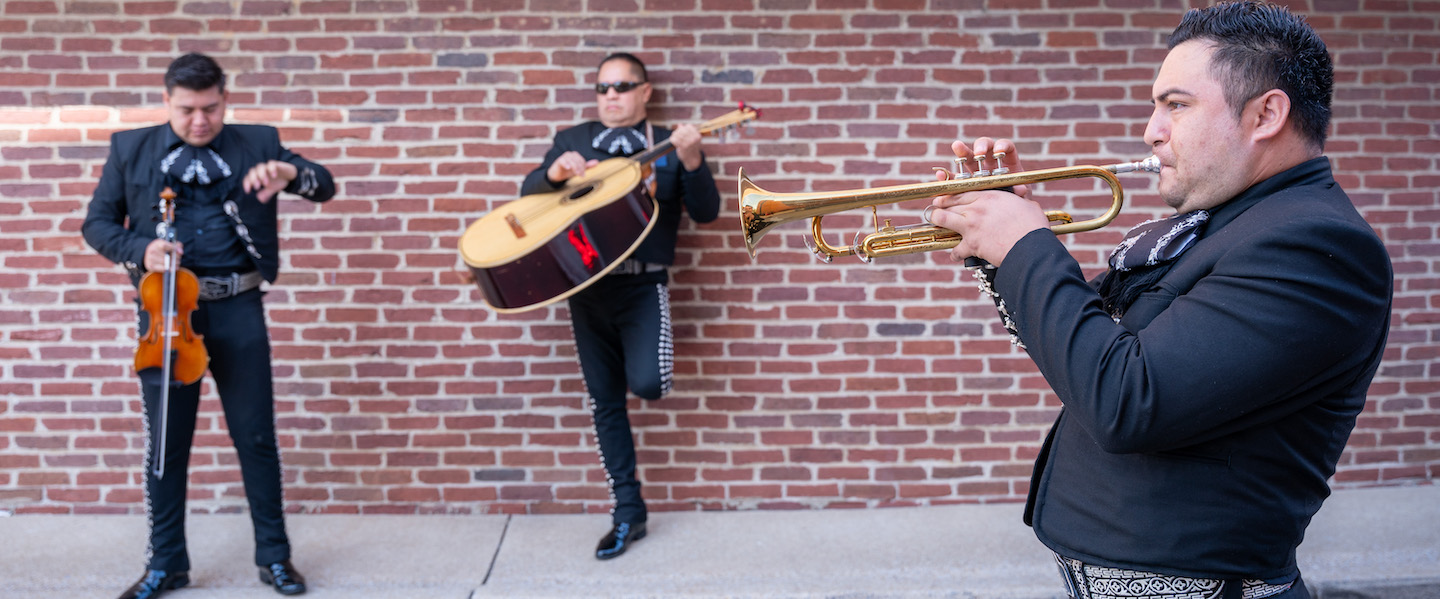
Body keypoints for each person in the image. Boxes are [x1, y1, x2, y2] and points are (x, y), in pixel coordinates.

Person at [926, 2, 1392, 598]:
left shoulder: (1315, 244)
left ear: (1267, 114)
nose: (1151, 130)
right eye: (1156, 106)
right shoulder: (1227, 225)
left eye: (1176, 105)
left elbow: (1125, 399)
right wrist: (999, 253)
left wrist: (1025, 245)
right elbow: (1086, 345)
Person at [82, 52, 335, 599]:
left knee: (257, 439)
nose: (200, 120)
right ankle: (165, 563)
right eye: (187, 110)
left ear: (226, 99)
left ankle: (275, 558)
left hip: (239, 308)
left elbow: (324, 186)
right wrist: (140, 248)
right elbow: (97, 223)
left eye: (211, 108)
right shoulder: (132, 149)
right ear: (167, 101)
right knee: (167, 445)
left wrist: (291, 172)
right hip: (167, 314)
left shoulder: (259, 143)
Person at [519, 52, 721, 560]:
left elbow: (707, 211)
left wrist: (693, 161)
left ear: (645, 91)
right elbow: (528, 194)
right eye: (603, 87)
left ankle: (630, 507)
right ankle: (628, 514)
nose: (611, 95)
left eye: (623, 85)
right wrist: (554, 174)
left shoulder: (672, 143)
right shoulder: (572, 139)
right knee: (605, 403)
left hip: (642, 284)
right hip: (583, 290)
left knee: (649, 383)